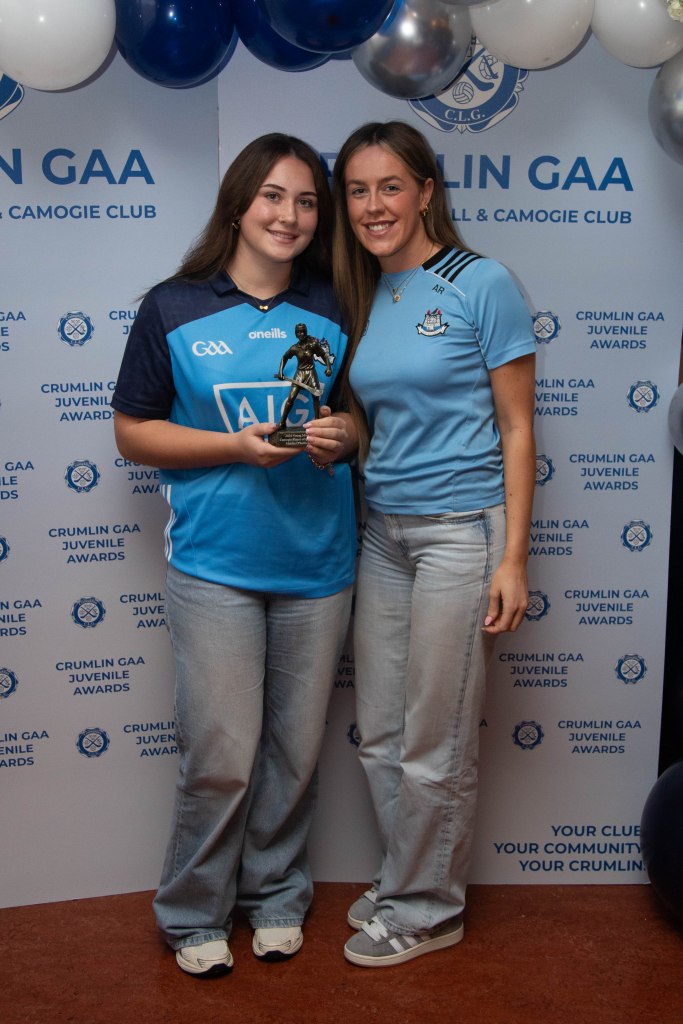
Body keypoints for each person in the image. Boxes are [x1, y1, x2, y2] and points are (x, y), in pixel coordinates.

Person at [111, 133, 357, 978]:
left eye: (307, 201)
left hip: (318, 565)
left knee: (294, 752)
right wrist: (233, 447)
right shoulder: (174, 306)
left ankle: (277, 897)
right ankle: (192, 913)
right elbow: (132, 432)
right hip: (214, 566)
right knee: (219, 757)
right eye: (273, 197)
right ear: (239, 204)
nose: (290, 216)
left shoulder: (336, 304)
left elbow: (361, 415)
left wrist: (342, 433)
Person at [331, 121, 536, 967]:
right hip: (384, 532)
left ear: (425, 191)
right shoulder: (363, 291)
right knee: (380, 733)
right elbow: (378, 420)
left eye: (389, 186)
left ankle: (427, 909)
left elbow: (517, 428)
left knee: (434, 740)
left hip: (460, 534)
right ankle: (405, 878)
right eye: (357, 190)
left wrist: (512, 558)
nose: (372, 205)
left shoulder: (480, 281)